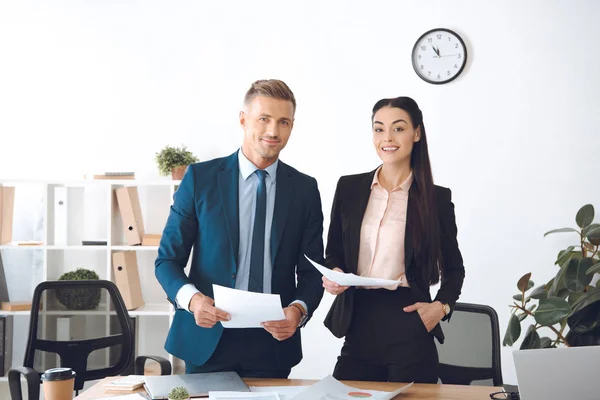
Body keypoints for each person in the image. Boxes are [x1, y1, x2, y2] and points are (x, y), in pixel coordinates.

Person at [155, 79, 325, 378]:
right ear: (243, 120)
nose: (273, 131)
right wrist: (193, 300)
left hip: (272, 344)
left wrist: (298, 310)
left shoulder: (304, 189)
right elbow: (167, 260)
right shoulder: (200, 179)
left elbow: (312, 270)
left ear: (292, 126)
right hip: (207, 337)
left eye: (283, 122)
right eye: (264, 119)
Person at [322, 96, 465, 383]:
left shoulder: (436, 199)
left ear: (417, 133)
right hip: (357, 319)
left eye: (398, 128)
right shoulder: (349, 188)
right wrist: (334, 273)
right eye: (378, 129)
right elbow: (334, 252)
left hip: (408, 320)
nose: (387, 138)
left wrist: (441, 307)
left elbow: (454, 270)